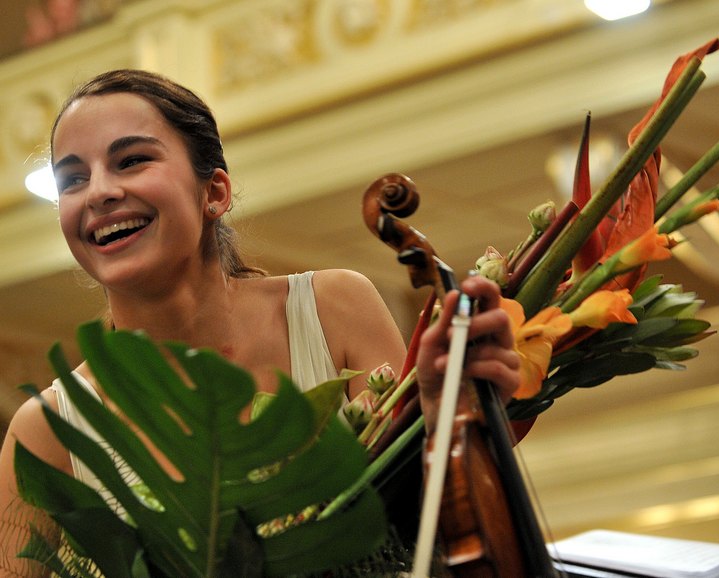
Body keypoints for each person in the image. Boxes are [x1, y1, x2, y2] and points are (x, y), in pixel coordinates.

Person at [0, 69, 520, 576]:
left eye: (132, 160)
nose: (98, 192)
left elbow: (438, 517)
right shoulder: (45, 430)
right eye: (72, 179)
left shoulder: (334, 310)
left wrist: (447, 406)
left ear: (215, 193)